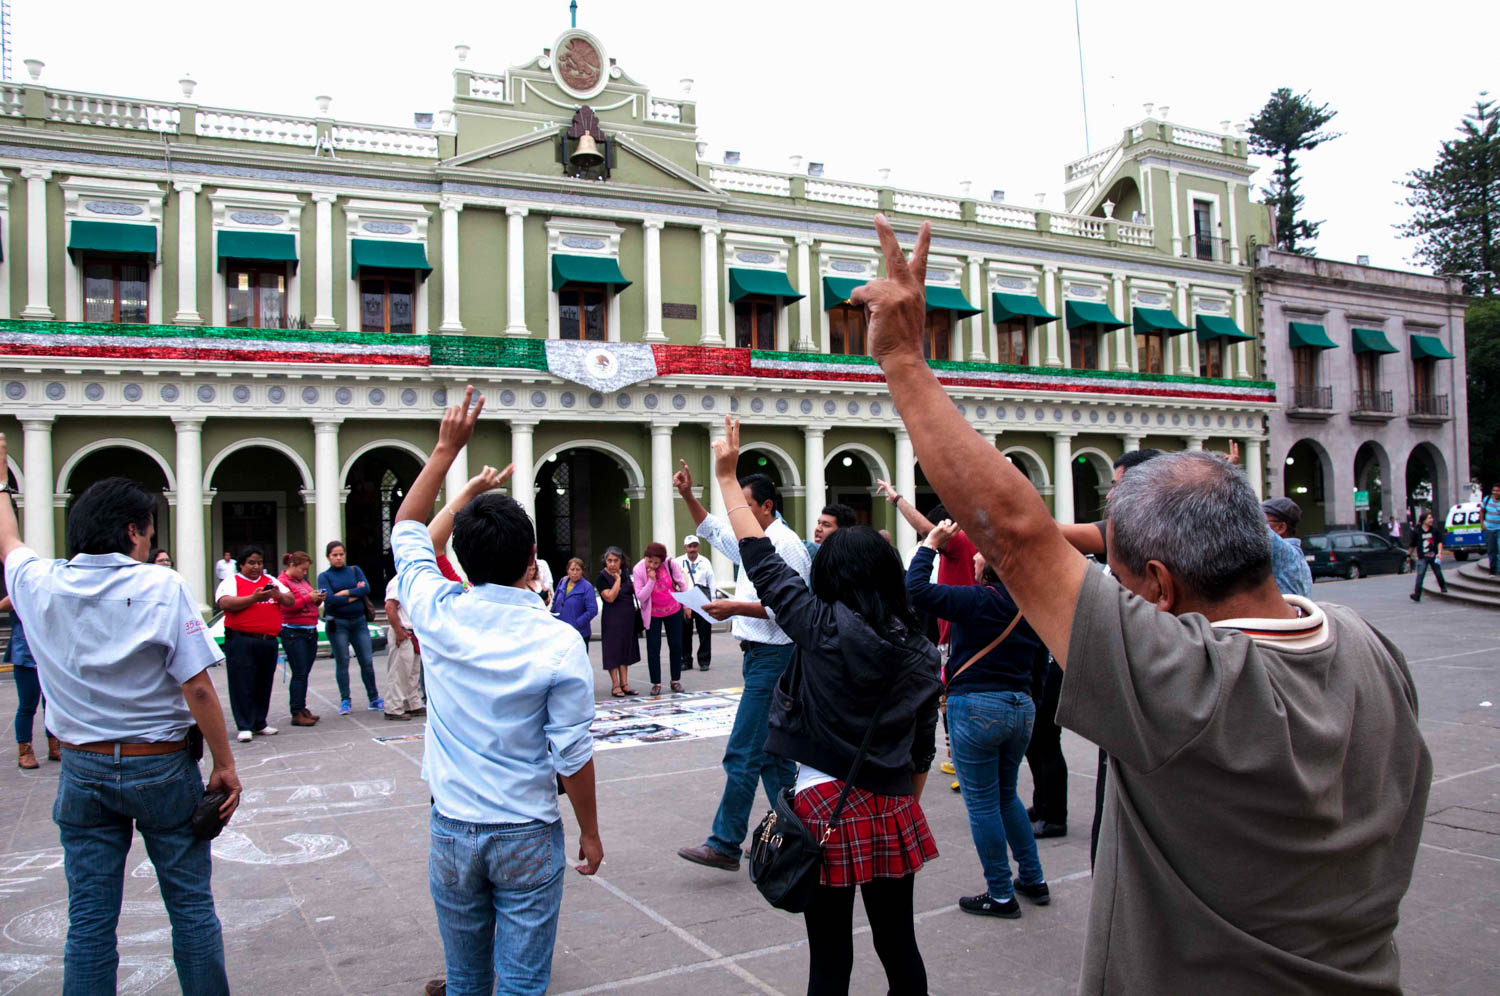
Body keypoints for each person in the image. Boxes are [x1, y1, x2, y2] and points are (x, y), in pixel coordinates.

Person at [854, 215, 1432, 993]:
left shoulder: (1189, 685)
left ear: (1158, 587)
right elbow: (1039, 538)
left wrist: (901, 359)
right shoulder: (1366, 643)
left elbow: (1021, 541)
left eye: (1121, 579)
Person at [708, 417, 941, 994]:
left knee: (829, 957)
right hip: (890, 804)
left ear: (832, 575)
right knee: (899, 945)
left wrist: (724, 477)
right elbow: (921, 746)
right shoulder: (920, 651)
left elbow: (761, 562)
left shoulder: (819, 625)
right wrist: (901, 806)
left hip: (821, 804)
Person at [0, 459, 241, 995]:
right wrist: (225, 765)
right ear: (132, 531)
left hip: (82, 769)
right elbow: (197, 687)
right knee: (191, 910)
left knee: (88, 922)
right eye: (147, 532)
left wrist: (1, 483)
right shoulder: (160, 585)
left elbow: (9, 538)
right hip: (158, 765)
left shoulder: (38, 583)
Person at [389, 388, 601, 996]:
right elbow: (572, 754)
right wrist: (589, 829)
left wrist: (445, 453)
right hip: (527, 829)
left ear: (458, 554)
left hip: (453, 825)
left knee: (465, 979)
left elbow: (407, 529)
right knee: (522, 982)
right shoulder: (558, 641)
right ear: (534, 557)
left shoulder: (437, 610)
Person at [672, 460, 812, 872]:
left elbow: (792, 606)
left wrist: (735, 606)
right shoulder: (756, 540)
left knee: (743, 753)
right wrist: (687, 497)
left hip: (775, 657)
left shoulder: (785, 544)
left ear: (766, 506)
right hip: (758, 657)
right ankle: (799, 833)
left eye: (744, 506)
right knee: (772, 757)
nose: (738, 514)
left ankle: (725, 842)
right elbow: (714, 530)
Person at [907, 518, 1048, 918]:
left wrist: (930, 543)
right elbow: (1039, 668)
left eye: (980, 553)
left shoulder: (977, 599)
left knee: (983, 802)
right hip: (1021, 707)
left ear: (989, 568)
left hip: (978, 707)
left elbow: (915, 590)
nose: (974, 556)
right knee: (1007, 795)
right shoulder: (1029, 606)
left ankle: (1000, 894)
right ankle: (1033, 878)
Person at [215, 545, 295, 742]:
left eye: (259, 563)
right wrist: (254, 598)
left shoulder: (271, 581)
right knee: (242, 683)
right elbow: (224, 603)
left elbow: (290, 600)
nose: (256, 567)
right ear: (241, 564)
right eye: (251, 563)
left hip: (267, 641)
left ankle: (260, 722)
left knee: (264, 682)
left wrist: (279, 596)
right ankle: (244, 725)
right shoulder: (231, 581)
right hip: (241, 640)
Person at [5, 534, 59, 768]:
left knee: (51, 702)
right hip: (25, 654)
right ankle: (24, 749)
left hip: (47, 655)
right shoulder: (18, 591)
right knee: (28, 704)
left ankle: (54, 745)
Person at [318, 541, 383, 716]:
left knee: (367, 661)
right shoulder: (324, 576)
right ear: (328, 557)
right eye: (334, 555)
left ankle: (374, 698)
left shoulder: (354, 570)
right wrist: (355, 592)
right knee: (342, 661)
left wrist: (345, 593)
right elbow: (330, 599)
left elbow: (367, 589)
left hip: (359, 622)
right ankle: (345, 700)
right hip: (338, 623)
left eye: (341, 554)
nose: (338, 558)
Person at [276, 551, 325, 728]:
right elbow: (287, 606)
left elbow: (309, 601)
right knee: (299, 672)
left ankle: (301, 707)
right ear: (292, 566)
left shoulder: (302, 581)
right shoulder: (282, 582)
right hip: (293, 631)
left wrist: (317, 599)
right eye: (303, 569)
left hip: (310, 629)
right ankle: (296, 711)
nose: (305, 573)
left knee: (304, 672)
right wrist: (307, 598)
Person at [633, 542, 688, 694]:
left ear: (662, 561)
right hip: (652, 613)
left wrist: (687, 606)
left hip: (673, 609)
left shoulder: (670, 564)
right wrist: (651, 580)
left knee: (676, 645)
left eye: (656, 563)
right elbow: (641, 596)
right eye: (649, 561)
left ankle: (675, 680)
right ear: (645, 557)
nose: (652, 565)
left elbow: (682, 585)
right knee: (653, 648)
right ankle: (656, 683)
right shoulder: (638, 569)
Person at [596, 547, 641, 697]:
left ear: (621, 561)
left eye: (616, 560)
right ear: (605, 561)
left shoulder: (627, 574)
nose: (613, 564)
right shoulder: (602, 577)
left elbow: (634, 591)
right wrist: (617, 580)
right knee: (613, 650)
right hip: (612, 619)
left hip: (627, 618)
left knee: (625, 649)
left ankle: (625, 683)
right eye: (609, 560)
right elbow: (610, 597)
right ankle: (615, 684)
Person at [677, 534, 716, 671]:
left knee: (704, 631)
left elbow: (711, 582)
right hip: (686, 599)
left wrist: (713, 602)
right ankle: (685, 660)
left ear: (698, 547)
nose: (692, 549)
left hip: (702, 599)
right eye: (689, 546)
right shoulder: (678, 562)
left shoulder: (705, 562)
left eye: (694, 546)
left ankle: (704, 660)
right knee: (684, 632)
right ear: (685, 548)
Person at [1260, 497, 1314, 597]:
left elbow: (1251, 523)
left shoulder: (1284, 551)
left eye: (1263, 521)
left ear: (1281, 527)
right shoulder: (1294, 554)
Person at [382, 593, 424, 721]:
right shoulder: (398, 583)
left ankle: (412, 703)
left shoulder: (412, 581)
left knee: (412, 671)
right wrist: (398, 631)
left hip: (413, 631)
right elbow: (390, 607)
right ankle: (393, 707)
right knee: (399, 672)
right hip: (403, 630)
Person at [551, 557, 599, 647]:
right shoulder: (562, 581)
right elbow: (555, 600)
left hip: (579, 632)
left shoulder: (587, 587)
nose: (575, 573)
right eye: (572, 569)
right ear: (567, 570)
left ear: (582, 571)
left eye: (578, 570)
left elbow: (592, 610)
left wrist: (578, 623)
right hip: (561, 630)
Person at [1409, 510, 1450, 601]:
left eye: (1432, 518)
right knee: (1420, 575)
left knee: (1438, 572)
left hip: (1433, 556)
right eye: (1429, 518)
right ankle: (1417, 594)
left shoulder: (1434, 531)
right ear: (1424, 520)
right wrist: (1408, 555)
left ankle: (1443, 587)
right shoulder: (1417, 532)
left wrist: (1439, 552)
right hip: (1422, 557)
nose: (1432, 520)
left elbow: (1439, 542)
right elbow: (1412, 545)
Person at [1482, 483, 1500, 575]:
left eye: (1497, 491)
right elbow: (1481, 511)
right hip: (1489, 529)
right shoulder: (1487, 499)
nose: (1495, 492)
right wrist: (1482, 523)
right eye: (1494, 490)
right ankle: (1493, 570)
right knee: (1491, 551)